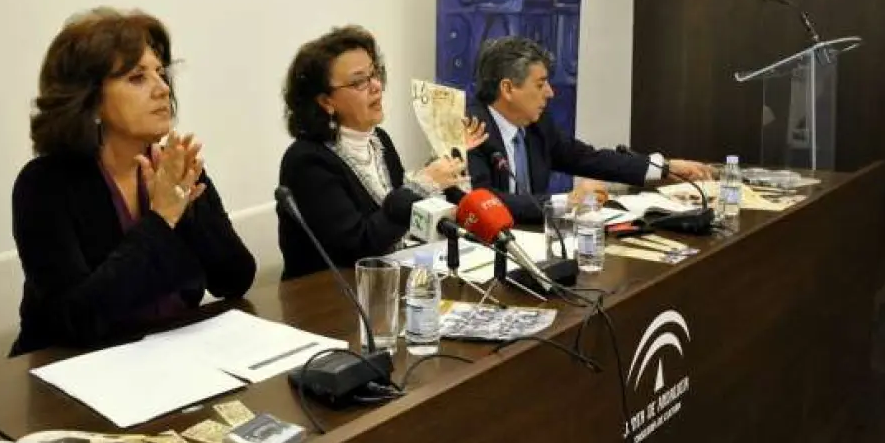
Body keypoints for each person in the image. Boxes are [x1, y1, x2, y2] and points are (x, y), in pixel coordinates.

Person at [10, 7, 256, 355]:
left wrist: (186, 210)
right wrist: (162, 218)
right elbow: (78, 320)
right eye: (137, 78)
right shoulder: (45, 185)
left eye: (161, 74)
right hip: (71, 368)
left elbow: (235, 279)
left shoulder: (173, 165)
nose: (162, 89)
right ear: (90, 99)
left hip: (169, 355)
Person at [277, 25, 487, 280]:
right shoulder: (307, 161)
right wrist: (423, 183)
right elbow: (357, 246)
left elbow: (404, 218)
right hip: (326, 294)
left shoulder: (379, 141)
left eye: (374, 74)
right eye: (359, 82)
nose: (376, 86)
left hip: (386, 279)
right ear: (325, 101)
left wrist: (447, 160)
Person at [467, 36, 712, 223]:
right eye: (540, 84)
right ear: (508, 89)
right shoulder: (469, 131)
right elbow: (483, 200)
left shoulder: (537, 124)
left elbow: (586, 158)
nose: (550, 93)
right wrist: (567, 201)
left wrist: (664, 167)